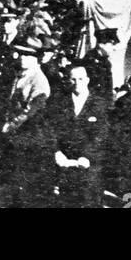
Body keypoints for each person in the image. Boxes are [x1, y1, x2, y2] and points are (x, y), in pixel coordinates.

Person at [0, 37, 53, 208]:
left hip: (28, 134)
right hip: (17, 134)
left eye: (27, 55)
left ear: (36, 58)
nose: (22, 58)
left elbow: (30, 111)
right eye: (20, 53)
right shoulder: (21, 73)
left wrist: (11, 125)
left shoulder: (39, 81)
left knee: (21, 179)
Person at [53, 62, 109, 207]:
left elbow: (101, 135)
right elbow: (50, 129)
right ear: (68, 80)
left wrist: (86, 156)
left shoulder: (100, 104)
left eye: (81, 79)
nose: (77, 83)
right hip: (63, 160)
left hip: (88, 162)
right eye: (73, 79)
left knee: (88, 198)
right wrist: (57, 152)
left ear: (88, 80)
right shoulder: (59, 102)